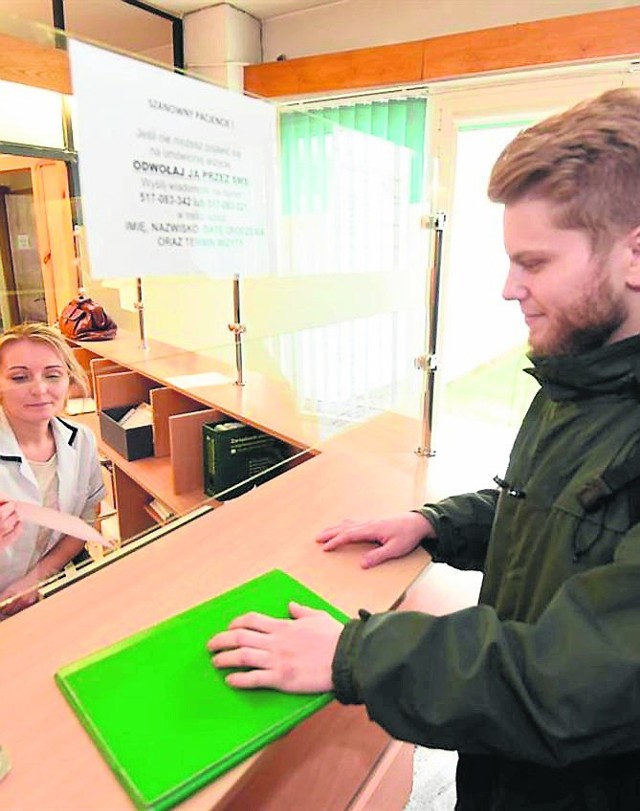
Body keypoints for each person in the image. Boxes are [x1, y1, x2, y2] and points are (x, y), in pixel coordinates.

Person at [207, 86, 640, 809]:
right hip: (509, 772)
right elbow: (560, 516)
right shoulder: (580, 377)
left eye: (533, 262)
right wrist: (442, 524)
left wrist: (354, 655)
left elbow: (573, 682)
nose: (510, 289)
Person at [0, 323, 105, 615]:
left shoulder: (80, 439)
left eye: (53, 375)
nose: (40, 389)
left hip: (54, 587)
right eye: (20, 377)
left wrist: (36, 578)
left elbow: (84, 522)